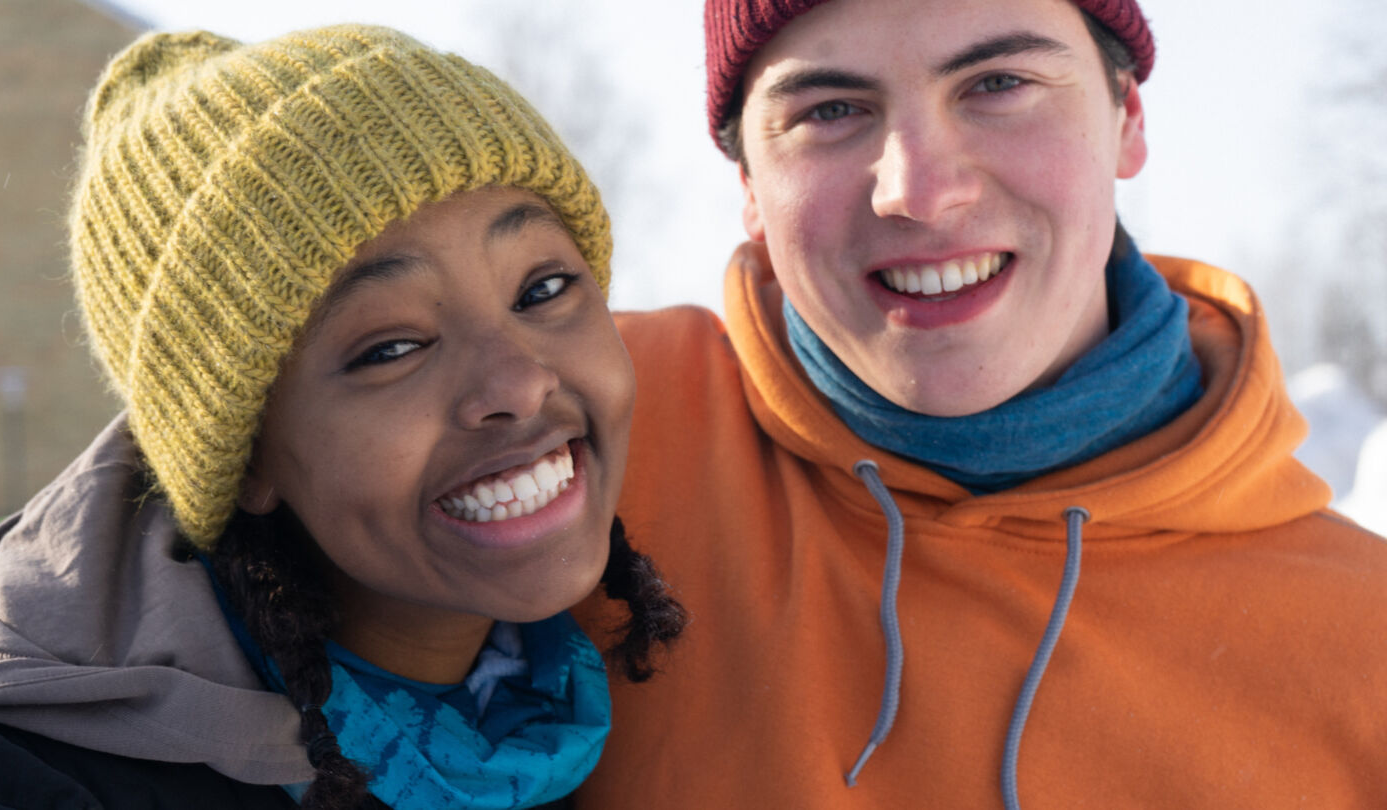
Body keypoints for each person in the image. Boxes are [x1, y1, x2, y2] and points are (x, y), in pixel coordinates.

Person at [571, 0, 1387, 807]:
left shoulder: (1361, 643)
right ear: (748, 179)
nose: (920, 192)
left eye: (997, 82)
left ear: (1127, 116)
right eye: (830, 109)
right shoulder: (580, 434)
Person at [0, 24, 682, 810]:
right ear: (248, 458)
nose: (520, 383)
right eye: (393, 346)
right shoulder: (15, 784)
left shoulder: (571, 704)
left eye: (541, 289)